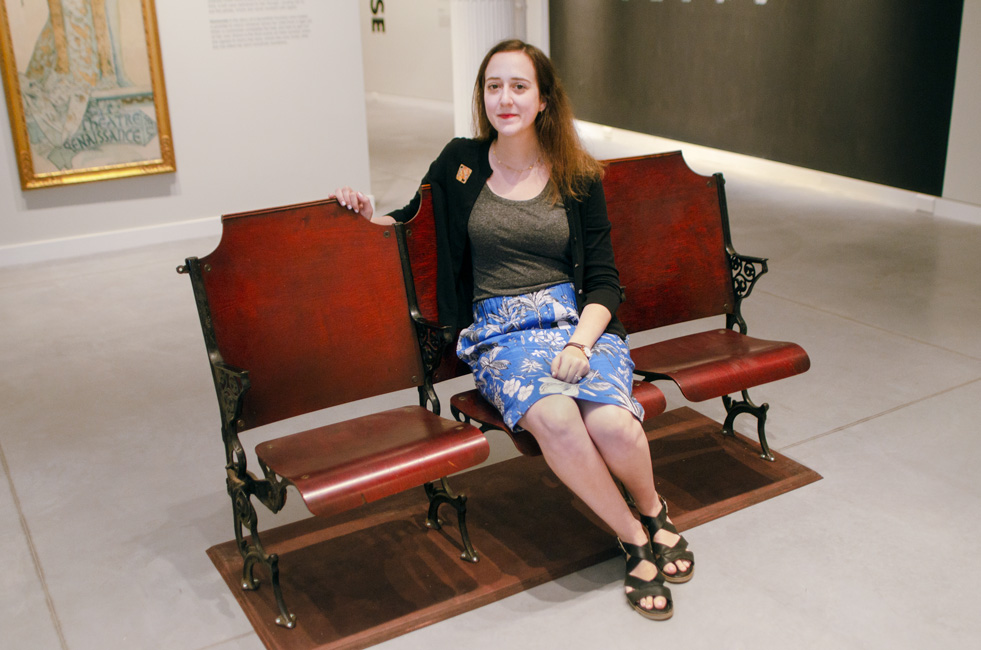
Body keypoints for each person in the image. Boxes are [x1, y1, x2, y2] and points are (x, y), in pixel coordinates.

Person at [333, 39, 693, 620]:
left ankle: (655, 508)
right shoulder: (460, 161)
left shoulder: (577, 174)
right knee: (555, 419)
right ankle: (632, 536)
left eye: (519, 86)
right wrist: (362, 211)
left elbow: (604, 281)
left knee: (614, 427)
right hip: (501, 331)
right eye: (493, 85)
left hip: (578, 324)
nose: (505, 98)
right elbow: (407, 225)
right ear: (482, 95)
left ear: (544, 99)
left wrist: (581, 343)